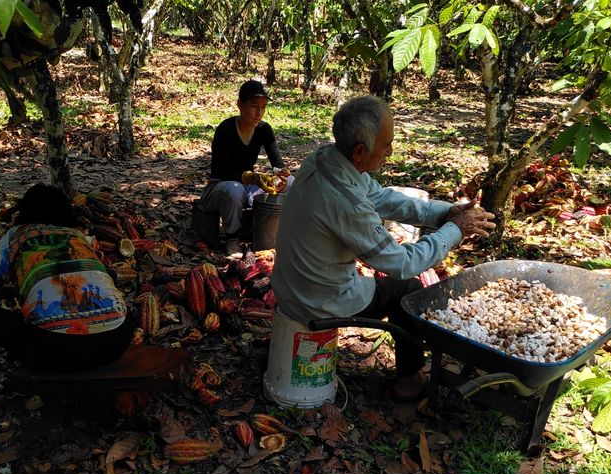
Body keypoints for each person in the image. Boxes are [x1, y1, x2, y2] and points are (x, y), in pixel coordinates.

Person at [271, 96, 496, 401]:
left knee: (399, 281)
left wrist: (445, 213)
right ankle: (410, 379)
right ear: (360, 151)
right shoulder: (345, 201)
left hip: (288, 284)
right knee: (407, 288)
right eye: (386, 144)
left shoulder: (324, 159)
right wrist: (456, 230)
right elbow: (401, 263)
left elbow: (383, 198)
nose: (390, 151)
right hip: (317, 299)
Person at [0, 183, 135, 414]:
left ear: (24, 212)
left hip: (55, 353)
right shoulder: (78, 237)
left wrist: (13, 291)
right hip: (115, 343)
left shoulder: (15, 237)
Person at [196, 79, 292, 255]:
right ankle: (232, 236)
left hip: (247, 186)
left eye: (263, 107)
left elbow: (278, 164)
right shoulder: (226, 129)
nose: (259, 113)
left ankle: (279, 230)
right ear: (240, 105)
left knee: (292, 181)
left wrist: (281, 176)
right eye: (254, 106)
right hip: (221, 186)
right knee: (235, 189)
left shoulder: (264, 130)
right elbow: (222, 170)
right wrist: (253, 177)